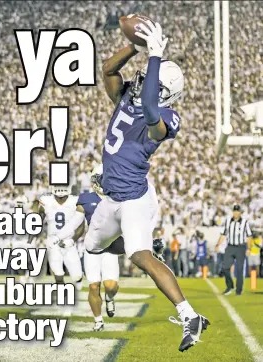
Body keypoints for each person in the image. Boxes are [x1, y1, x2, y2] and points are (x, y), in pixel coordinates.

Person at [84, 20, 209, 351]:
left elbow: (153, 110)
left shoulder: (167, 119)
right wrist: (135, 48)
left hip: (135, 199)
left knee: (137, 256)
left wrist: (155, 58)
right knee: (92, 248)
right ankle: (143, 245)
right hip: (111, 198)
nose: (140, 80)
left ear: (164, 90)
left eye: (148, 78)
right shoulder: (127, 96)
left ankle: (190, 316)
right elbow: (108, 70)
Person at [50, 164, 166, 331]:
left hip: (111, 248)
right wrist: (59, 236)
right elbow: (75, 223)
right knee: (93, 285)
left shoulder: (121, 198)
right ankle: (98, 321)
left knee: (111, 286)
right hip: (93, 249)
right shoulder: (87, 199)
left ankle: (110, 298)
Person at [36, 185, 84, 291]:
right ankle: (63, 295)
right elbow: (37, 221)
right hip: (53, 242)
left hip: (68, 242)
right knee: (57, 273)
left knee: (77, 276)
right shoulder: (46, 200)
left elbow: (81, 224)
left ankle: (78, 282)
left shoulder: (75, 201)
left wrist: (72, 240)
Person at [216, 205, 254, 296]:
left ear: (240, 212)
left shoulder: (245, 222)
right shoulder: (228, 221)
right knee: (225, 267)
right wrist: (218, 244)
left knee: (240, 269)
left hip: (241, 247)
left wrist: (249, 248)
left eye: (238, 211)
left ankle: (239, 290)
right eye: (235, 211)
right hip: (230, 247)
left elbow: (249, 236)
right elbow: (223, 234)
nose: (236, 213)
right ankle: (230, 286)